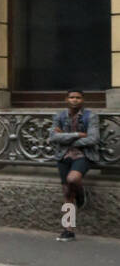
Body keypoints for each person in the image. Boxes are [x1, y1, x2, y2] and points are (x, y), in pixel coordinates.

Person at [48, 90, 100, 242]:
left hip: (83, 155)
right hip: (63, 156)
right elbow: (53, 137)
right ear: (66, 99)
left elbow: (93, 139)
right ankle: (68, 230)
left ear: (82, 99)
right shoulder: (59, 116)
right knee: (67, 193)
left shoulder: (91, 116)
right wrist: (77, 135)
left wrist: (64, 137)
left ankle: (81, 193)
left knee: (73, 179)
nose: (75, 100)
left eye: (78, 97)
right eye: (72, 97)